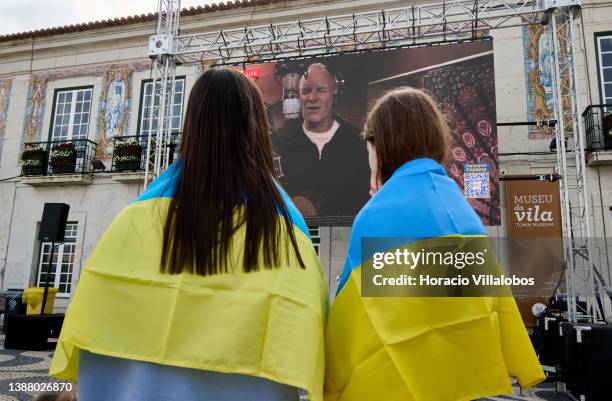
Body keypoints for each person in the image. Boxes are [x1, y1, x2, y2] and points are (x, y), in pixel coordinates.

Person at [49, 68, 328, 401]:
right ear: (257, 127)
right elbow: (308, 326)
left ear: (192, 123)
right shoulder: (286, 232)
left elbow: (93, 322)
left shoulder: (134, 220)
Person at [324, 87, 544, 401]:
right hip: (460, 385)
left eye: (368, 144)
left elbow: (350, 326)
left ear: (382, 144)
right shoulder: (462, 212)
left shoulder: (375, 216)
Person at [272, 63, 370, 218]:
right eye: (306, 91)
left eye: (321, 90)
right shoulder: (279, 142)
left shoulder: (358, 141)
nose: (312, 98)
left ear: (334, 91)